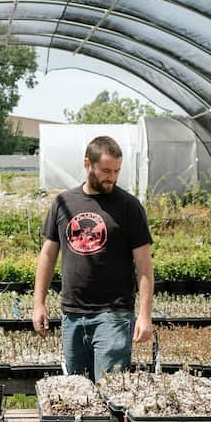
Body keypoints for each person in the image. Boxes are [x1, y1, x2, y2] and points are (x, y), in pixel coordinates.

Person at [32, 135, 154, 381]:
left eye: (117, 171)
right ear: (88, 164)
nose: (112, 177)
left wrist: (144, 315)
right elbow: (47, 255)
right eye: (106, 170)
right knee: (78, 393)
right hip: (72, 314)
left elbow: (144, 266)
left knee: (110, 390)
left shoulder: (129, 206)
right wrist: (39, 304)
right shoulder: (64, 203)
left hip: (113, 315)